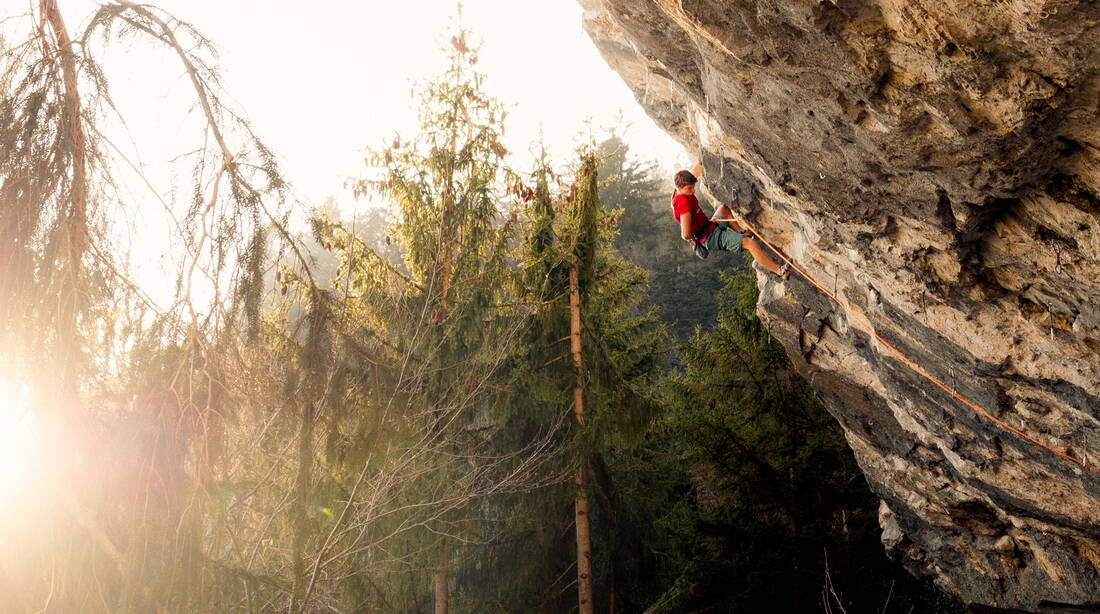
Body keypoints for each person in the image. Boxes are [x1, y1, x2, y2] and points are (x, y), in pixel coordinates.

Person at [671, 163, 789, 278]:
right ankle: (779, 271)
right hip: (710, 237)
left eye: (693, 187)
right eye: (689, 188)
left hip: (710, 226)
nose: (693, 191)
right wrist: (694, 241)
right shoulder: (683, 203)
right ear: (679, 187)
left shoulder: (680, 186)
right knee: (750, 243)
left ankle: (740, 232)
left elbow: (696, 170)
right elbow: (685, 234)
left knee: (724, 208)